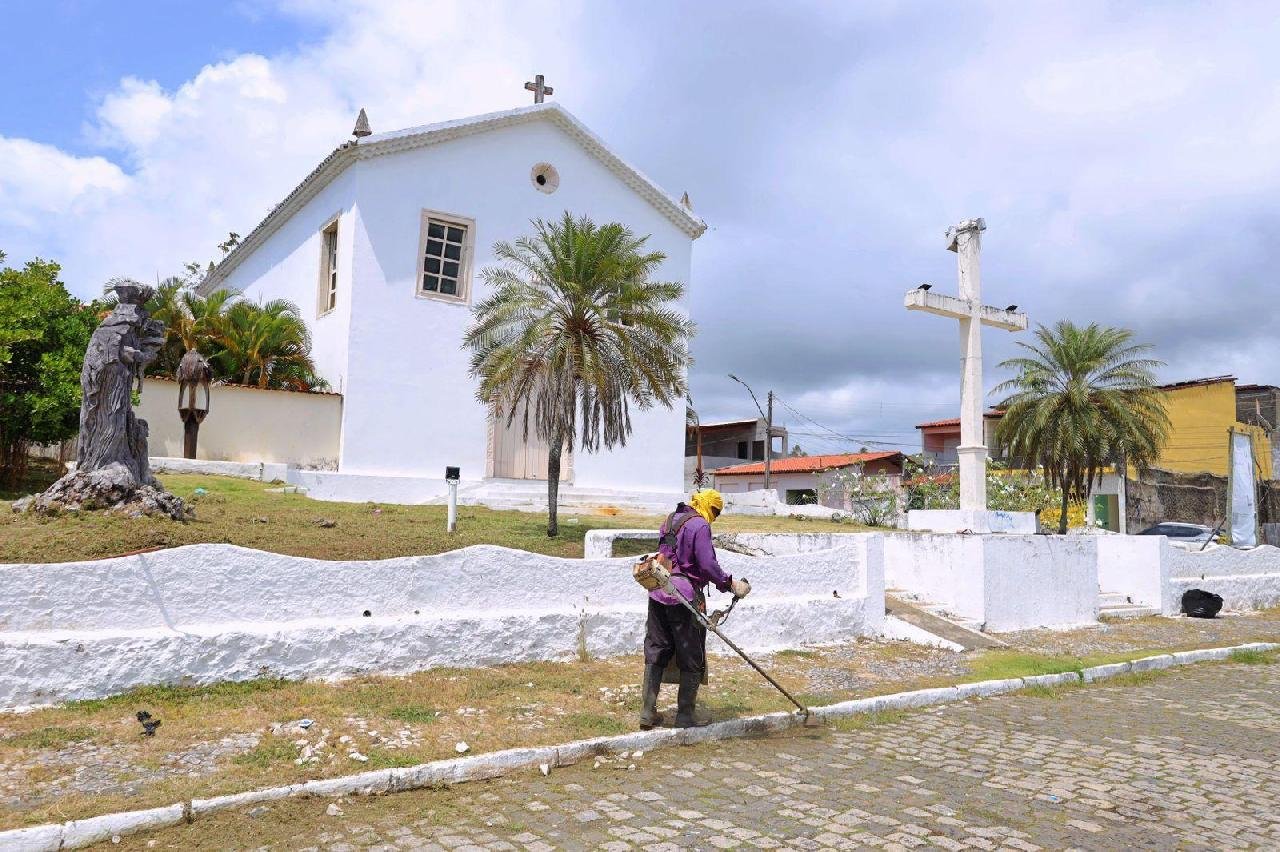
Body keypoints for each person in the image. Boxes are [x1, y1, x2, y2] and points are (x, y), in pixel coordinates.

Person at [640, 489, 750, 729]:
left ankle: (647, 713)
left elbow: (666, 556)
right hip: (685, 598)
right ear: (708, 506)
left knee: (656, 649)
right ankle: (685, 715)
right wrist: (730, 584)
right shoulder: (700, 526)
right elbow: (708, 565)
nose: (715, 517)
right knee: (691, 655)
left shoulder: (670, 520)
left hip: (659, 591)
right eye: (716, 512)